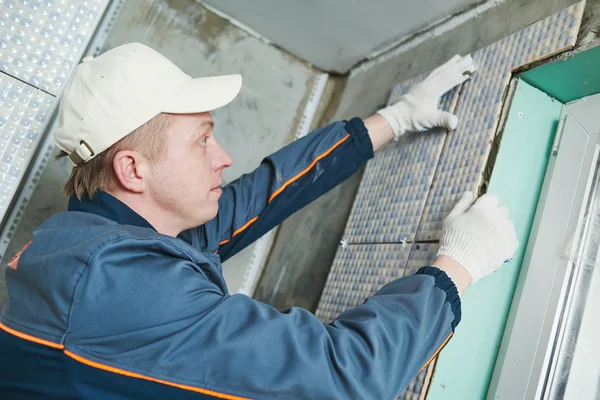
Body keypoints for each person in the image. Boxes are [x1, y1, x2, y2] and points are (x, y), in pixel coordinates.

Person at [0, 43, 518, 399]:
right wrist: (456, 266)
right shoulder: (116, 285)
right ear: (133, 169)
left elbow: (257, 195)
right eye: (203, 138)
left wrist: (396, 117)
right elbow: (342, 379)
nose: (222, 156)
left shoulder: (103, 238)